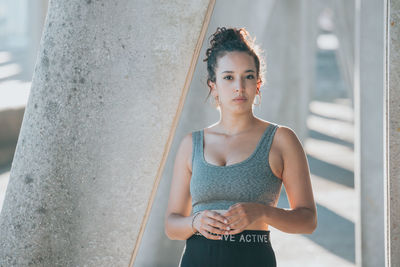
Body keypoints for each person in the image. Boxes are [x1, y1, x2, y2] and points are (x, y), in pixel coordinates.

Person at [164, 26, 317, 267]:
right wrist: (195, 222)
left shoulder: (281, 140)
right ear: (213, 85)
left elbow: (307, 220)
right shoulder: (191, 143)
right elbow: (172, 225)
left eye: (248, 76)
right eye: (228, 77)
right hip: (196, 259)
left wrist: (261, 212)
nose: (239, 86)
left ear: (258, 83)